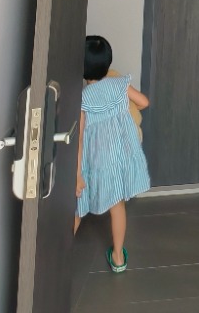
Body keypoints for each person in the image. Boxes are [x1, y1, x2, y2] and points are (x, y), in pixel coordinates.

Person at [74, 35, 151, 273]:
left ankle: (58, 258)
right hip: (117, 159)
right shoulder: (119, 85)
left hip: (94, 163)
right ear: (108, 63)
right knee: (117, 208)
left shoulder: (82, 99)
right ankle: (118, 257)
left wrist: (77, 175)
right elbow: (144, 102)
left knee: (76, 208)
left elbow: (79, 140)